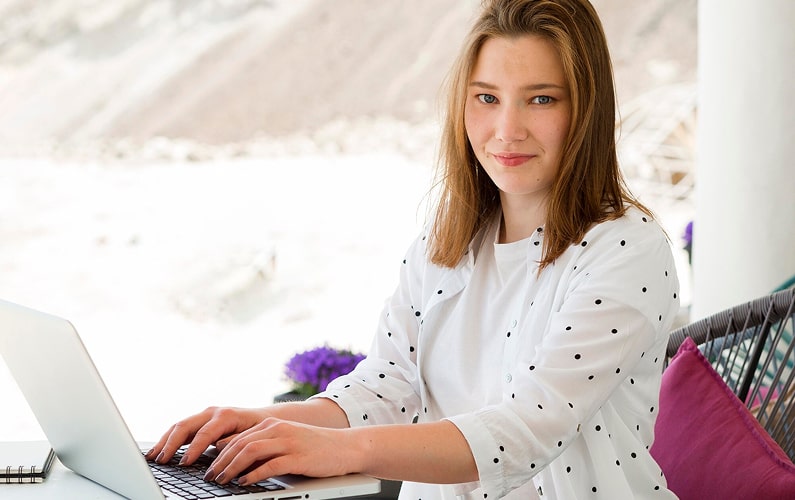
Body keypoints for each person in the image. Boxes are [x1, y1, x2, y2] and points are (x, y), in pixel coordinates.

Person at [147, 0, 680, 498]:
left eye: (541, 99)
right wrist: (261, 422)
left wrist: (335, 451)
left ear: (586, 110)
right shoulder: (447, 241)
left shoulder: (626, 249)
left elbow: (526, 429)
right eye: (486, 98)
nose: (506, 129)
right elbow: (388, 386)